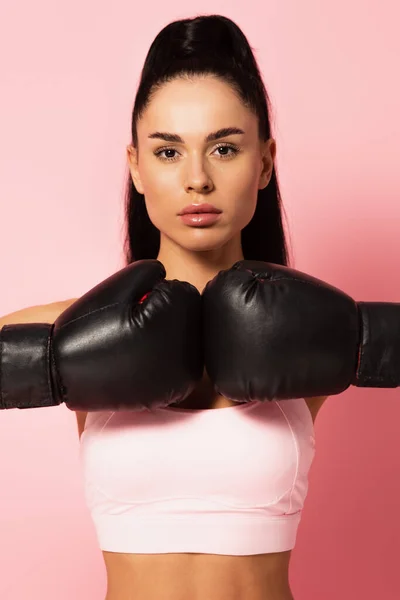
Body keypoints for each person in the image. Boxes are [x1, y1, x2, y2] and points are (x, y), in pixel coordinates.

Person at [6, 12, 397, 600]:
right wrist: (55, 360)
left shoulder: (313, 325)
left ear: (264, 162)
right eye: (168, 152)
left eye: (223, 148)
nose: (197, 179)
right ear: (135, 166)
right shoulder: (70, 329)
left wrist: (368, 335)